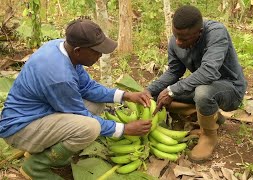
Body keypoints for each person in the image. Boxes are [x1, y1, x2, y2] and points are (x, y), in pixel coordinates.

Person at [0, 18, 152, 179]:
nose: (100, 55)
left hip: (41, 112)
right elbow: (81, 116)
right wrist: (125, 129)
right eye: (96, 51)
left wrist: (126, 95)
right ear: (78, 50)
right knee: (90, 128)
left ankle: (45, 149)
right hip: (21, 128)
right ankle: (36, 168)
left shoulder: (63, 48)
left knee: (97, 104)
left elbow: (87, 87)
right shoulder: (59, 76)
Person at [144, 5, 247, 162]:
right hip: (203, 86)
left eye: (184, 39)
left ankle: (208, 136)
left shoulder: (216, 33)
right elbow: (174, 72)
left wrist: (173, 91)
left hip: (230, 88)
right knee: (158, 94)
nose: (177, 42)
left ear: (199, 33)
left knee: (202, 93)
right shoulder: (175, 41)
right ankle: (211, 115)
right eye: (175, 36)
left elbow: (209, 72)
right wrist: (147, 91)